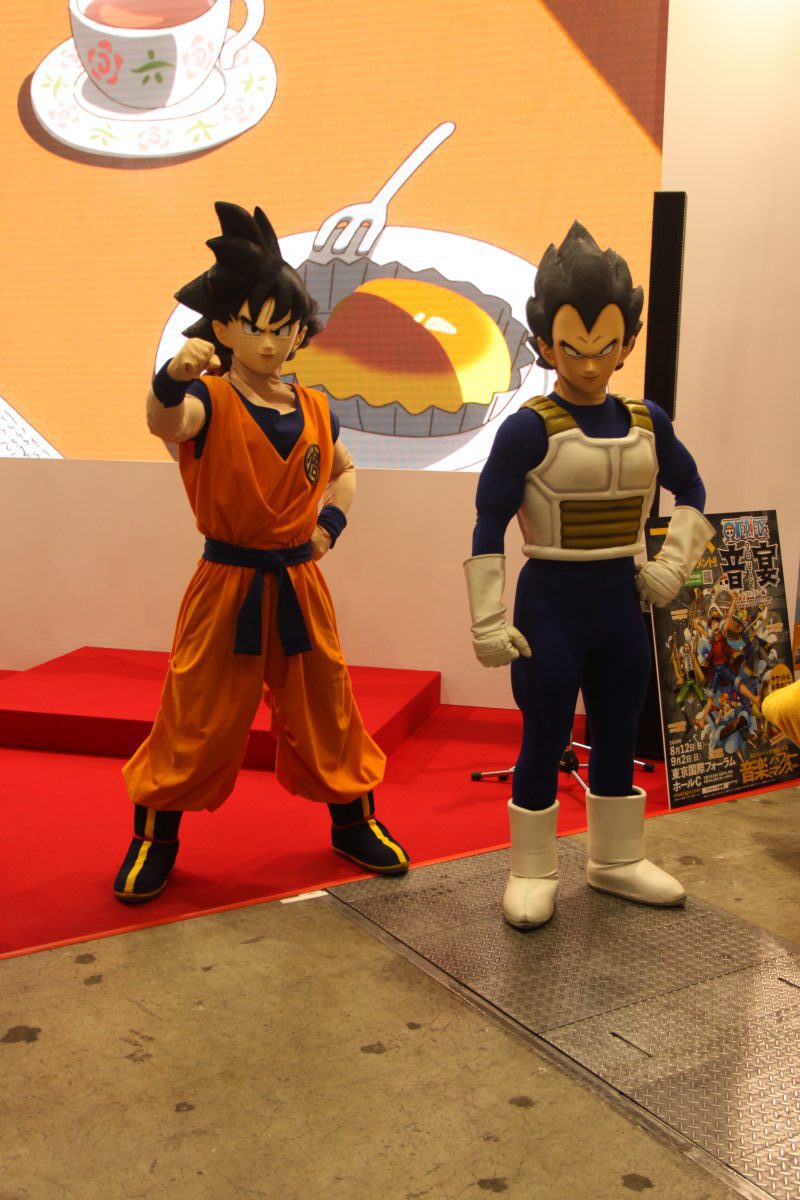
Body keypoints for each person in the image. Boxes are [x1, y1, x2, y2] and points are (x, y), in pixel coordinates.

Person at [113, 201, 409, 903]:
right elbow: (165, 421)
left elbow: (343, 471)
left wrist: (327, 529)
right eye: (254, 326)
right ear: (223, 328)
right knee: (196, 712)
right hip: (228, 582)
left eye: (283, 327)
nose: (270, 342)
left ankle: (354, 823)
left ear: (301, 329)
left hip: (299, 582)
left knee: (327, 706)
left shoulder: (315, 407)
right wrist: (170, 377)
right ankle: (154, 838)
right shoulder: (208, 400)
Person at [464, 221, 713, 929]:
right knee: (544, 733)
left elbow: (694, 489)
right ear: (546, 343)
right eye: (574, 346)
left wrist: (671, 565)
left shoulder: (647, 421)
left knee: (618, 727)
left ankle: (616, 858)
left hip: (619, 600)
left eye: (607, 346)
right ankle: (531, 868)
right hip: (552, 605)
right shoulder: (527, 429)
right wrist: (488, 621)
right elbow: (489, 523)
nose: (592, 361)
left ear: (628, 342)